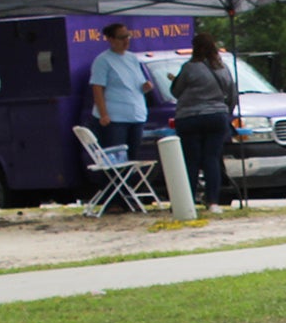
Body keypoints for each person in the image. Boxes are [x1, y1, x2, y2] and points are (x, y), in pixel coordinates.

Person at [169, 33, 236, 211]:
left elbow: (176, 92)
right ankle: (213, 201)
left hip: (190, 117)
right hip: (217, 117)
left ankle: (188, 201)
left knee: (191, 160)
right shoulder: (223, 68)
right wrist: (226, 112)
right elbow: (232, 94)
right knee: (212, 159)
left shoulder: (189, 68)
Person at [89, 22, 153, 153]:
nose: (126, 40)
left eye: (128, 36)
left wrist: (146, 87)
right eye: (122, 37)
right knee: (117, 157)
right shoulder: (103, 60)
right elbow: (97, 88)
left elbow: (138, 85)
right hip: (115, 118)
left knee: (134, 155)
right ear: (111, 39)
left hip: (136, 116)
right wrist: (103, 114)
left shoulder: (132, 58)